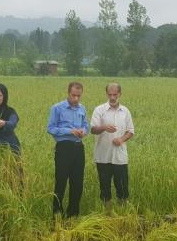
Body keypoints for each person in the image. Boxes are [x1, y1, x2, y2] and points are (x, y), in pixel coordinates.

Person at [90, 82, 135, 213]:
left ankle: (123, 212)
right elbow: (93, 130)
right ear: (106, 94)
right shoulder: (99, 110)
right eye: (110, 94)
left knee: (122, 185)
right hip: (103, 156)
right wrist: (104, 127)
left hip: (120, 156)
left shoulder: (125, 111)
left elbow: (131, 131)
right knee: (104, 186)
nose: (112, 97)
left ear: (120, 94)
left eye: (115, 94)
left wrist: (121, 139)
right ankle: (107, 213)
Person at [47, 81, 89, 217]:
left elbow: (86, 126)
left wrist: (83, 131)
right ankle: (57, 214)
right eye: (73, 95)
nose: (76, 99)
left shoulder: (82, 108)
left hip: (78, 148)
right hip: (63, 148)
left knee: (77, 183)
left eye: (78, 96)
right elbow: (51, 128)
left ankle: (73, 214)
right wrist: (69, 131)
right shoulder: (57, 108)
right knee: (61, 182)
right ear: (68, 93)